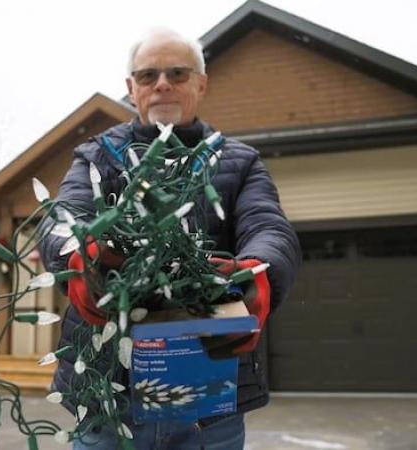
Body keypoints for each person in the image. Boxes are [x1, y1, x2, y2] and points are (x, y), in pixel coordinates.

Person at [39, 28, 301, 450]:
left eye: (177, 73)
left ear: (201, 83)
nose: (162, 84)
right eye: (148, 76)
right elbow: (61, 219)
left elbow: (269, 228)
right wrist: (79, 260)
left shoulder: (239, 161)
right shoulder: (99, 155)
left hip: (209, 400)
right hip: (108, 397)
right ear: (131, 88)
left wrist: (257, 273)